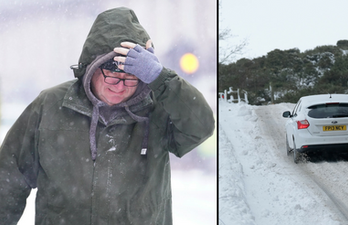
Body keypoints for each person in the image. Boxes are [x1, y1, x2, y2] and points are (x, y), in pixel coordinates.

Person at [0, 7, 215, 225]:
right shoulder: (50, 106)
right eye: (112, 76)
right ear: (92, 68)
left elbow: (201, 126)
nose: (120, 86)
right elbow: (8, 179)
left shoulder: (157, 108)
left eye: (130, 78)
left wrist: (161, 79)